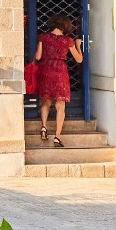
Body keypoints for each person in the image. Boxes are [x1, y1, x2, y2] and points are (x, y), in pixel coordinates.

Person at [31, 14, 83, 147]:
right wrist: (78, 46)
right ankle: (57, 137)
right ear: (65, 25)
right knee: (60, 106)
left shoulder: (43, 37)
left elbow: (38, 56)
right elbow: (79, 59)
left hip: (46, 69)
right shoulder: (68, 40)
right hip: (60, 72)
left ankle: (43, 127)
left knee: (46, 101)